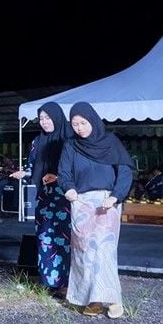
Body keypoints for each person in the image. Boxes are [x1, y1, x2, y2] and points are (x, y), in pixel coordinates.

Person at [58, 102, 133, 319]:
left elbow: (125, 171)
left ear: (93, 120)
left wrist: (115, 196)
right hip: (81, 202)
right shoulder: (71, 145)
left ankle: (113, 298)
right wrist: (69, 189)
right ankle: (93, 299)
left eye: (83, 122)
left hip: (106, 201)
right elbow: (63, 173)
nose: (79, 127)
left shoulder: (111, 142)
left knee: (104, 251)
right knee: (83, 252)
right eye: (75, 124)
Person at [9, 102, 74, 297]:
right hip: (43, 197)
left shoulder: (69, 139)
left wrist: (58, 177)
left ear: (57, 117)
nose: (45, 122)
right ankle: (49, 281)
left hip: (64, 196)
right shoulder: (38, 141)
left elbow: (76, 167)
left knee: (64, 240)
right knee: (45, 238)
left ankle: (67, 282)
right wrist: (24, 173)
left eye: (48, 118)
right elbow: (32, 167)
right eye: (41, 119)